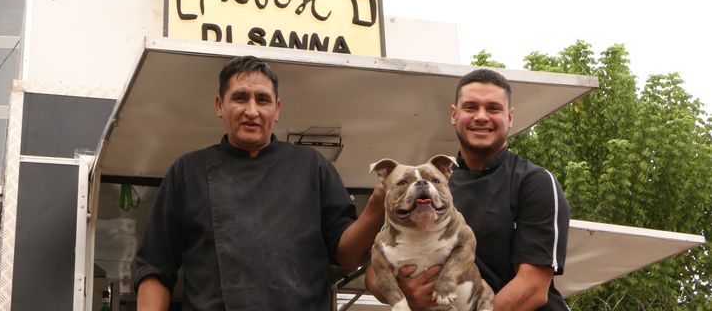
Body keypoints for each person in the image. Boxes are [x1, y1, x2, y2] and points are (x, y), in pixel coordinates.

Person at [135, 55, 385, 311]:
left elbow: (347, 256)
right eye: (240, 97)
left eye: (263, 99)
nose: (252, 111)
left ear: (277, 109)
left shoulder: (312, 166)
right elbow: (155, 267)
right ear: (220, 105)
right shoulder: (187, 171)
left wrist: (376, 210)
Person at [366, 68, 571, 311]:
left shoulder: (534, 181)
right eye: (471, 107)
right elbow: (374, 271)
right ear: (454, 114)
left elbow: (533, 287)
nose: (481, 117)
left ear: (510, 117)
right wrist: (405, 296)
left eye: (493, 108)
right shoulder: (431, 182)